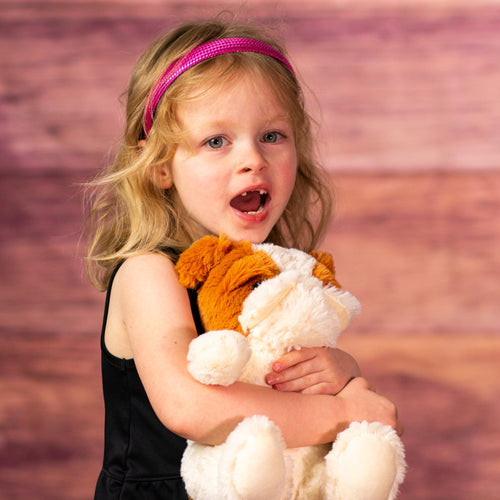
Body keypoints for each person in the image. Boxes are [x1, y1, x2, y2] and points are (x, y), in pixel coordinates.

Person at [85, 18, 402, 500]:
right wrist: (345, 414)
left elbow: (279, 385)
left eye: (272, 136)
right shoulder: (148, 273)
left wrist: (340, 373)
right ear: (158, 167)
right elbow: (191, 407)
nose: (253, 158)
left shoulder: (278, 273)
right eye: (216, 141)